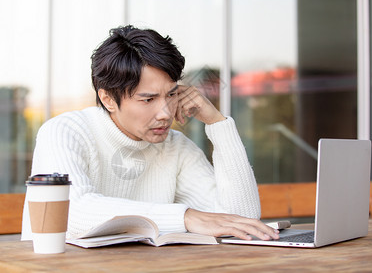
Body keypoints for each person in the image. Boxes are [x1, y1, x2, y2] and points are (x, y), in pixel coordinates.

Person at [21, 25, 279, 241]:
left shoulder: (176, 147)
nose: (165, 113)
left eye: (171, 94)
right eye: (148, 99)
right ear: (108, 99)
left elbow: (242, 220)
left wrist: (218, 123)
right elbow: (70, 213)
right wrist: (185, 217)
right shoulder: (65, 131)